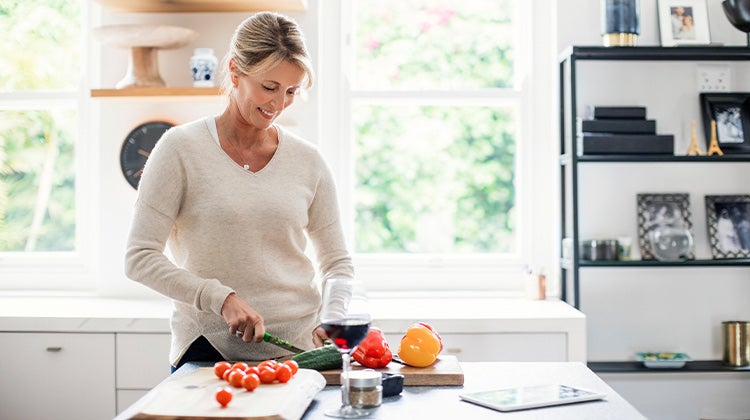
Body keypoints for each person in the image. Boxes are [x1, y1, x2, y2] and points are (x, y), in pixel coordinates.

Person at [124, 12, 354, 371]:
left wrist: (334, 315)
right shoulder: (179, 149)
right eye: (269, 87)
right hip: (208, 350)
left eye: (291, 91)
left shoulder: (309, 161)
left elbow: (337, 264)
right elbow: (139, 258)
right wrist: (220, 298)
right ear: (234, 72)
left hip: (298, 352)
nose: (278, 104)